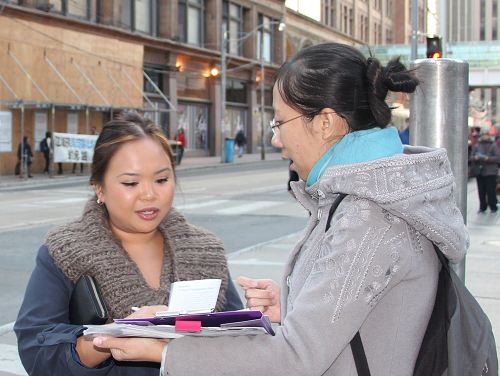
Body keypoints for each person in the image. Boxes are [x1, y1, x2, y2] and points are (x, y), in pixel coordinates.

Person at [90, 43, 469, 375]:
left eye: (279, 121)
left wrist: (164, 349)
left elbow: (295, 358)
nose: (275, 138)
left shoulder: (369, 217)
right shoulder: (360, 200)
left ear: (325, 123)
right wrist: (292, 304)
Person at [15, 112, 242, 376]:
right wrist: (108, 339)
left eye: (162, 179)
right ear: (99, 188)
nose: (149, 194)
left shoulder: (206, 251)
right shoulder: (65, 252)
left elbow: (237, 339)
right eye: (131, 182)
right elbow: (37, 350)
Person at [470, 127, 500, 213]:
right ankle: (482, 207)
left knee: (491, 191)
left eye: (486, 134)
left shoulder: (493, 145)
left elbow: (497, 157)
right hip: (480, 172)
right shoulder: (477, 145)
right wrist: (475, 157)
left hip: (491, 172)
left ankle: (493, 207)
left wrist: (487, 158)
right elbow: (471, 157)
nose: (484, 136)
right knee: (481, 191)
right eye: (483, 134)